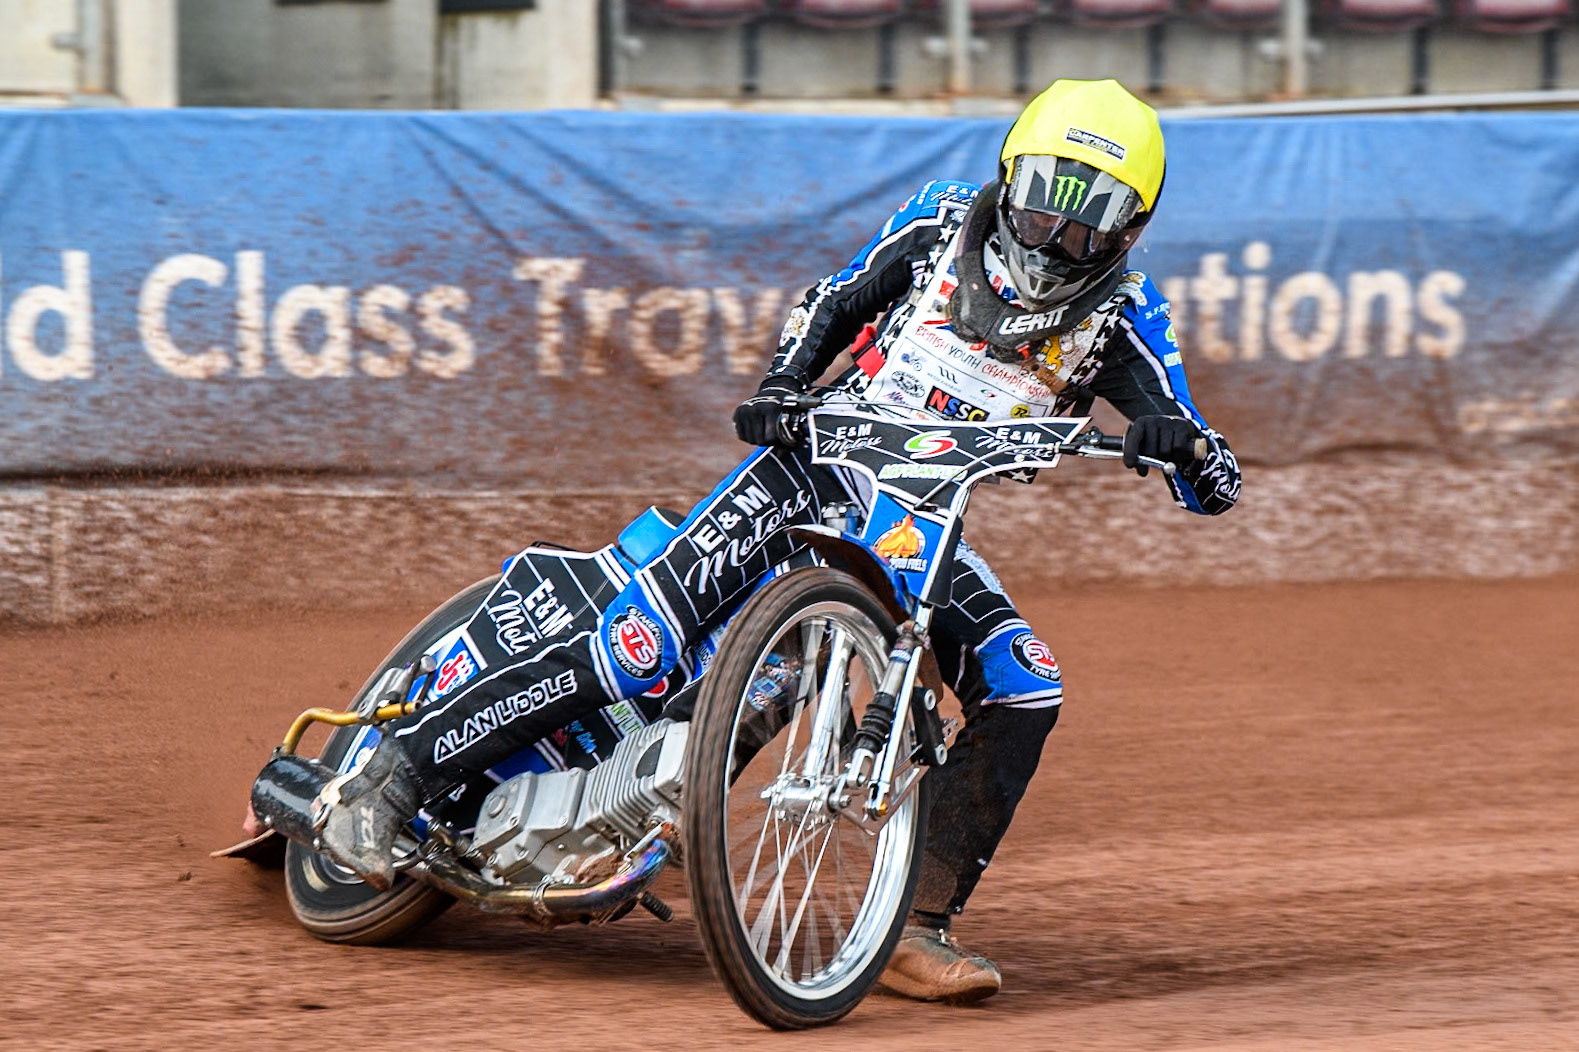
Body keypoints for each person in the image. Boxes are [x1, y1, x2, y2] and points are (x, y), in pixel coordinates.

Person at [309, 78, 1241, 1003]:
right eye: (1040, 205)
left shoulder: (1124, 316)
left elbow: (1210, 479)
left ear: (1128, 231)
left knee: (1025, 681)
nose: (1051, 239)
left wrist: (1188, 452)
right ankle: (394, 779)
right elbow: (832, 302)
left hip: (922, 516)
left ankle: (914, 924)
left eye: (1084, 227)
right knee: (634, 647)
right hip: (815, 460)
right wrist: (787, 384)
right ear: (1008, 177)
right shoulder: (939, 223)